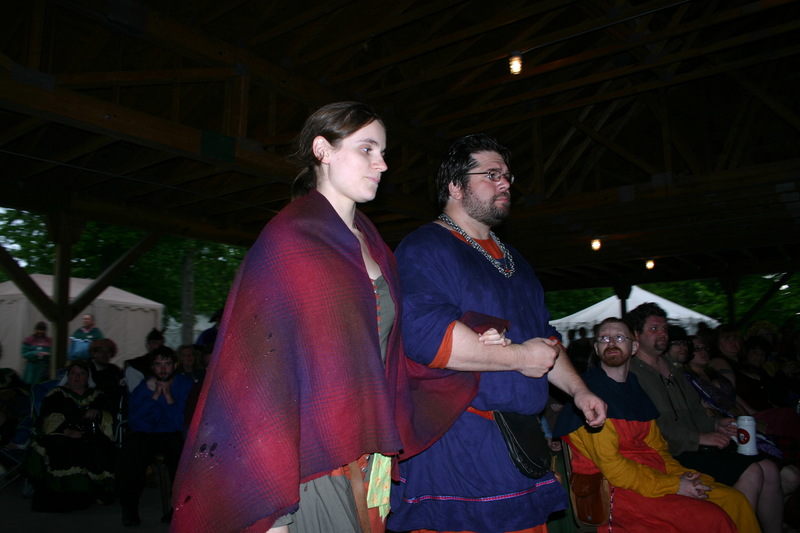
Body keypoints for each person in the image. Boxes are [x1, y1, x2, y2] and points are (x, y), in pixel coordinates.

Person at [169, 102, 476, 533]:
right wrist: (274, 513)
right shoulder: (289, 241)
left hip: (368, 452)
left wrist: (476, 344)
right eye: (367, 149)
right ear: (323, 150)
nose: (382, 164)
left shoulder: (376, 247)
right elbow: (256, 377)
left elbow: (388, 354)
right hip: (311, 462)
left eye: (383, 152)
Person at [388, 133, 607, 533]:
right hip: (458, 446)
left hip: (517, 442)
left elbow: (546, 341)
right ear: (456, 186)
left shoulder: (515, 260)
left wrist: (578, 391)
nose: (505, 183)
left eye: (507, 175)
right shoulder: (426, 247)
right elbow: (426, 336)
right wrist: (521, 358)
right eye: (491, 174)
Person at [554, 317, 760, 532]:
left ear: (634, 347)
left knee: (735, 501)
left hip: (654, 478)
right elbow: (614, 468)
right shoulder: (588, 396)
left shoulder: (637, 392)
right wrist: (674, 485)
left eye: (619, 337)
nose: (611, 343)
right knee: (713, 518)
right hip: (615, 492)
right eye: (604, 338)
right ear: (597, 349)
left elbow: (658, 449)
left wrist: (681, 475)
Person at [626, 302, 784, 533]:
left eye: (664, 328)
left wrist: (717, 424)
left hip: (698, 448)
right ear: (636, 334)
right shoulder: (631, 374)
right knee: (752, 473)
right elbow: (650, 430)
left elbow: (696, 413)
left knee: (769, 469)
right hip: (671, 454)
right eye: (654, 328)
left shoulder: (673, 368)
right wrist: (699, 438)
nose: (663, 334)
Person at [23, 359, 116, 512]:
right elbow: (47, 417)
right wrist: (66, 431)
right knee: (59, 446)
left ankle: (94, 492)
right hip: (61, 433)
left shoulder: (98, 395)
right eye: (73, 373)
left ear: (88, 377)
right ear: (68, 376)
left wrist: (99, 412)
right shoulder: (57, 395)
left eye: (82, 373)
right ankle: (65, 494)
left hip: (91, 433)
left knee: (100, 447)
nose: (77, 377)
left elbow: (110, 414)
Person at [117, 346, 194, 527]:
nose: (163, 369)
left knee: (180, 450)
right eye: (158, 364)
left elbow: (180, 422)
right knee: (131, 448)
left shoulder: (185, 385)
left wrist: (168, 397)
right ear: (152, 367)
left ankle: (177, 507)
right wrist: (154, 396)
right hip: (147, 434)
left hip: (172, 434)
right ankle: (129, 507)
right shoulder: (143, 388)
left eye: (167, 364)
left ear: (175, 365)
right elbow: (136, 422)